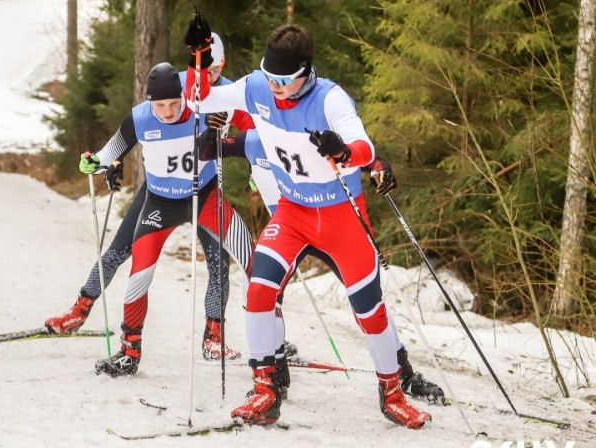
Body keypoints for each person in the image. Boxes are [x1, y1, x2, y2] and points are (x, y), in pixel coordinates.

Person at [183, 18, 431, 428]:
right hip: (294, 213)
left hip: (341, 216)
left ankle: (392, 394)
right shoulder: (256, 88)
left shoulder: (330, 99)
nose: (276, 89)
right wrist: (199, 60)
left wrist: (344, 150)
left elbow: (364, 145)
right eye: (270, 78)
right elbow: (198, 101)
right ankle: (266, 390)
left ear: (304, 73)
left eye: (285, 81)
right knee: (259, 291)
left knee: (370, 311)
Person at [45, 33, 256, 363]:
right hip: (159, 197)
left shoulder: (220, 100)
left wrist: (260, 166)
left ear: (223, 66)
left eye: (216, 71)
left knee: (226, 263)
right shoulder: (172, 93)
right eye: (205, 71)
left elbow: (255, 133)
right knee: (121, 254)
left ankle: (225, 338)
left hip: (204, 193)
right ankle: (84, 313)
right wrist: (100, 162)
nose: (169, 110)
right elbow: (117, 146)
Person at [198, 123, 445, 404]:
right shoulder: (254, 140)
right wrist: (211, 129)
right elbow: (206, 150)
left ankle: (404, 374)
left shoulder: (309, 136)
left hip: (330, 228)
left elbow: (363, 157)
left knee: (368, 303)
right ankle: (276, 378)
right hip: (289, 228)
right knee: (259, 290)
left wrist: (380, 167)